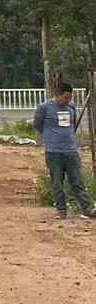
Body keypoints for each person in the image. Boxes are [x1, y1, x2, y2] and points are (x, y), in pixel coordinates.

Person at [33, 80, 94, 218]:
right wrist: (50, 136)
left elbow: (73, 124)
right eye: (66, 97)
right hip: (53, 152)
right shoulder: (44, 107)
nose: (68, 100)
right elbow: (37, 124)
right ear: (58, 95)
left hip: (70, 151)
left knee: (77, 181)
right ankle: (61, 210)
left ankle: (87, 208)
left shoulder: (71, 108)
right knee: (57, 183)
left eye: (70, 98)